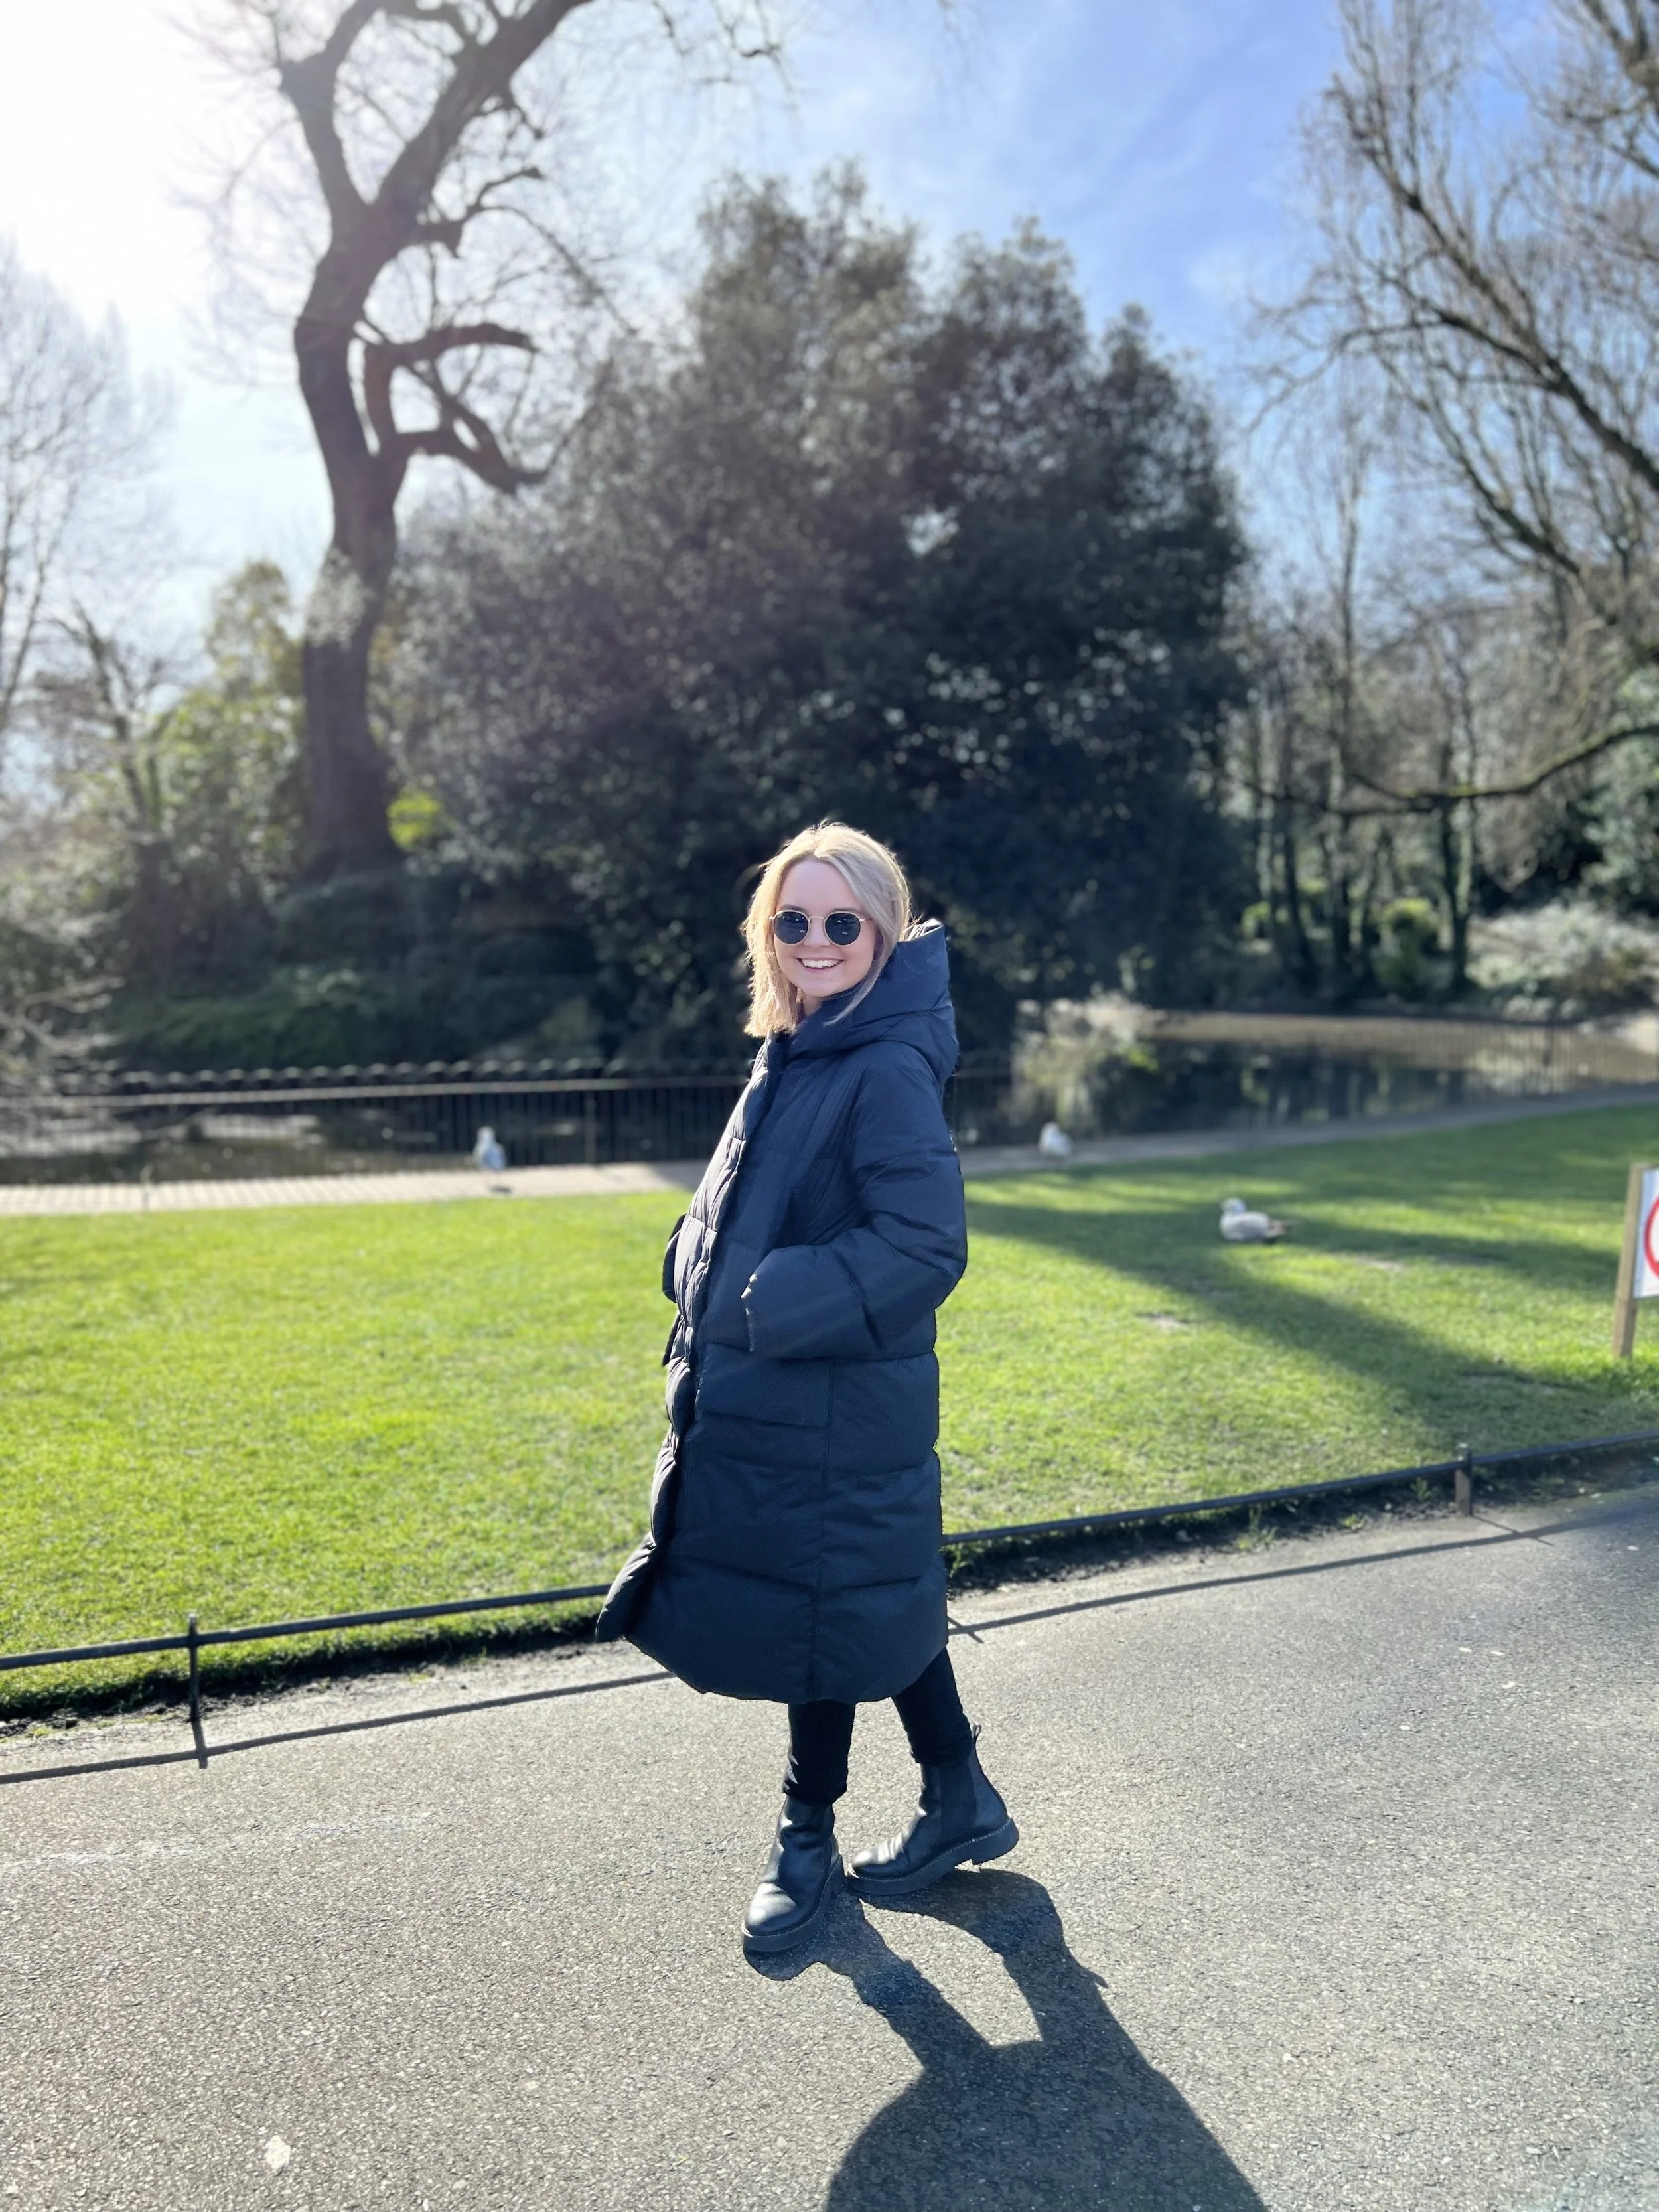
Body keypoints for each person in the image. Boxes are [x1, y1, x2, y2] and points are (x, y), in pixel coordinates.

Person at [595, 820, 1017, 1956]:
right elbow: (743, 1207)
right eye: (795, 920)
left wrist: (763, 1300)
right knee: (862, 1587)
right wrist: (690, 1260)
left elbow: (925, 1245)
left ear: (880, 933)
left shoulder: (877, 1063)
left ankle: (805, 1838)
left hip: (829, 1403)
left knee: (821, 1607)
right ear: (767, 933)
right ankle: (961, 1797)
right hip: (798, 1405)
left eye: (843, 922)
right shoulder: (803, 1044)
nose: (817, 939)